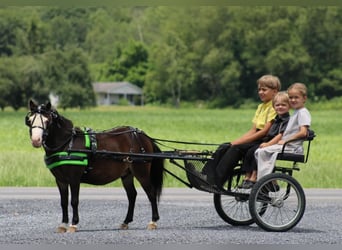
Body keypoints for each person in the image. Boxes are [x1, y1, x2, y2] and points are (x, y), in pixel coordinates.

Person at [201, 74, 281, 189]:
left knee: (236, 148)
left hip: (265, 138)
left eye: (264, 89)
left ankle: (217, 179)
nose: (260, 92)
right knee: (225, 146)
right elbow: (253, 130)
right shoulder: (260, 107)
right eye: (259, 90)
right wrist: (236, 141)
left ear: (275, 92)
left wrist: (238, 143)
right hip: (257, 135)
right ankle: (206, 174)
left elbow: (264, 132)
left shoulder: (274, 106)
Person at [255, 83, 311, 180]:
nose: (293, 100)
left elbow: (303, 132)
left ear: (304, 98)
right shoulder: (297, 112)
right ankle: (267, 180)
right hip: (287, 145)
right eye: (291, 97)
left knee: (262, 152)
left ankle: (265, 180)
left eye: (296, 97)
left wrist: (286, 140)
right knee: (259, 151)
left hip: (292, 147)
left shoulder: (303, 113)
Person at [238, 91, 290, 189]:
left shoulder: (287, 120)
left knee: (256, 151)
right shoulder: (276, 119)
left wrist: (268, 144)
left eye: (283, 105)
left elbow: (280, 135)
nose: (280, 107)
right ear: (274, 107)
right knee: (249, 150)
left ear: (289, 106)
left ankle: (254, 176)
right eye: (277, 105)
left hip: (276, 142)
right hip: (269, 140)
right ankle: (247, 175)